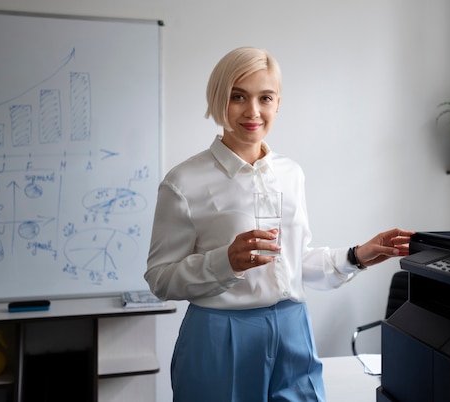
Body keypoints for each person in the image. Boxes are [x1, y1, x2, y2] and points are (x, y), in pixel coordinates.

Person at [145, 46, 414, 402]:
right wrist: (226, 261)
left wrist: (356, 256)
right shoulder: (184, 181)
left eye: (265, 98)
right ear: (218, 99)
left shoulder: (291, 174)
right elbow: (160, 278)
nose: (252, 111)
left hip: (292, 327)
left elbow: (293, 262)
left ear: (278, 103)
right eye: (238, 96)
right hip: (219, 334)